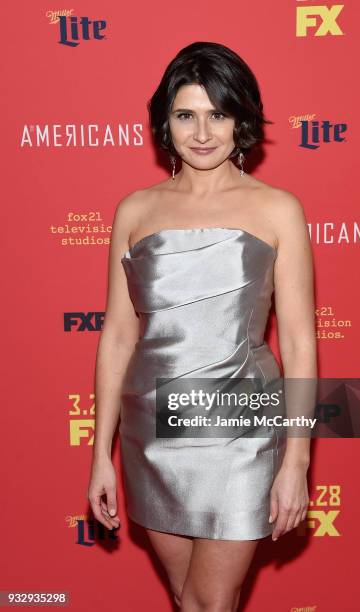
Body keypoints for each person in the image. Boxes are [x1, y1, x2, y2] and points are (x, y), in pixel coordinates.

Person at [87, 41, 317, 611]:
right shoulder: (135, 210)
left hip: (243, 425)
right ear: (165, 122)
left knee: (211, 602)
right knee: (189, 599)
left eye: (218, 113)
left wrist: (297, 458)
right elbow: (118, 335)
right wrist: (99, 455)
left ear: (241, 118)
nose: (202, 132)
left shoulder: (277, 209)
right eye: (186, 114)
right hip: (152, 432)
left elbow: (297, 342)